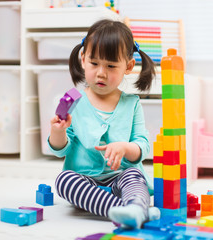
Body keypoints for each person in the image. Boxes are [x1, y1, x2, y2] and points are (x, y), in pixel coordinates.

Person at [48, 19, 159, 229]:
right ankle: (132, 210)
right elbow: (61, 149)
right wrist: (57, 131)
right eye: (94, 63)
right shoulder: (75, 101)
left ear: (128, 66)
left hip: (120, 177)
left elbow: (142, 147)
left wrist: (126, 148)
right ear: (83, 59)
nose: (101, 72)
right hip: (85, 180)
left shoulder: (132, 104)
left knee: (135, 176)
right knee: (64, 180)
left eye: (110, 66)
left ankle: (134, 207)